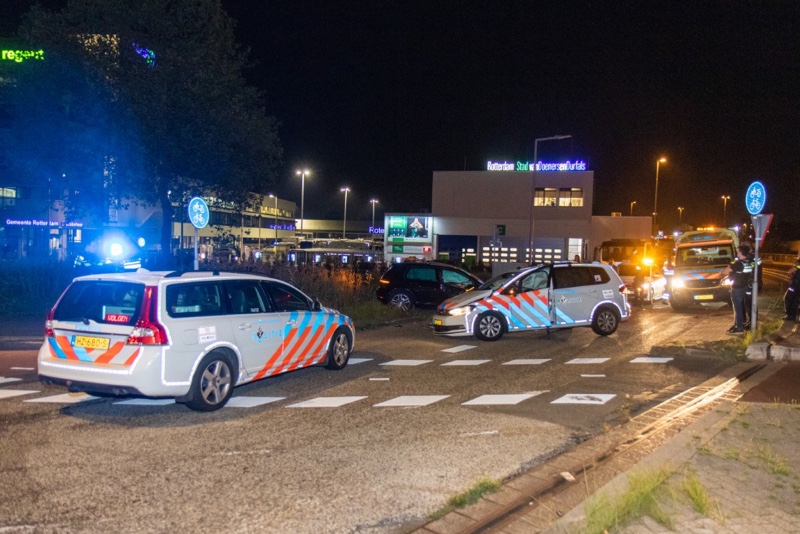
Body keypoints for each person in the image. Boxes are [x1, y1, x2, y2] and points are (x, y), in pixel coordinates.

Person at [722, 245, 752, 334]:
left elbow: (725, 271)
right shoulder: (748, 262)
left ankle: (739, 328)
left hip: (737, 288)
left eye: (738, 251)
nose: (737, 253)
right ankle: (738, 325)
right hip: (744, 287)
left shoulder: (738, 263)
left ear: (741, 253)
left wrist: (730, 265)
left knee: (737, 308)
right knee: (740, 307)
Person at [783, 250, 800, 321]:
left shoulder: (799, 262)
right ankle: (793, 315)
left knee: (788, 298)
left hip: (795, 284)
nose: (798, 254)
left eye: (799, 253)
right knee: (795, 300)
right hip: (797, 283)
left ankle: (790, 315)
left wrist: (791, 271)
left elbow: (791, 270)